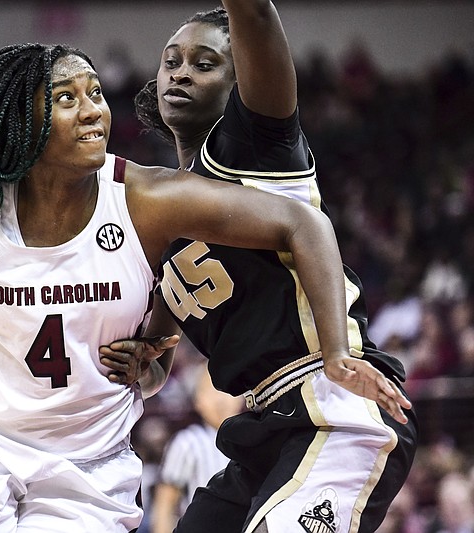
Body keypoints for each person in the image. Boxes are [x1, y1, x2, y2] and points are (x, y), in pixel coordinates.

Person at [0, 42, 404, 532]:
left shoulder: (146, 201)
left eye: (95, 92)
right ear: (20, 121)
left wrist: (335, 351)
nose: (93, 109)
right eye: (66, 97)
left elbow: (301, 221)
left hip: (89, 465)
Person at [101, 2, 418, 532]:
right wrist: (142, 365)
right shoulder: (161, 209)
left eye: (204, 63)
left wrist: (337, 352)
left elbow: (255, 14)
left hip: (336, 405)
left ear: (241, 80)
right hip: (265, 430)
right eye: (171, 61)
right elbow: (156, 359)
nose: (181, 71)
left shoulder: (257, 147)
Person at [151, 361, 242, 533]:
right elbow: (165, 504)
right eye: (212, 391)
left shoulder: (252, 441)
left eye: (229, 391)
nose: (221, 400)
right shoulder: (187, 441)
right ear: (197, 401)